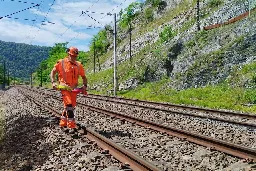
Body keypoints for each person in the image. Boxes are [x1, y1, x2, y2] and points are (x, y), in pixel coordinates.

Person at [50, 46, 87, 129]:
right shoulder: (61, 62)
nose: (74, 58)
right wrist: (53, 82)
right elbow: (53, 72)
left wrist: (85, 86)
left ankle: (63, 122)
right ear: (68, 54)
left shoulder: (79, 65)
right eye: (72, 56)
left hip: (73, 89)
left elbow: (84, 77)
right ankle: (71, 126)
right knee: (69, 105)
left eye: (75, 56)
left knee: (70, 106)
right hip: (64, 88)